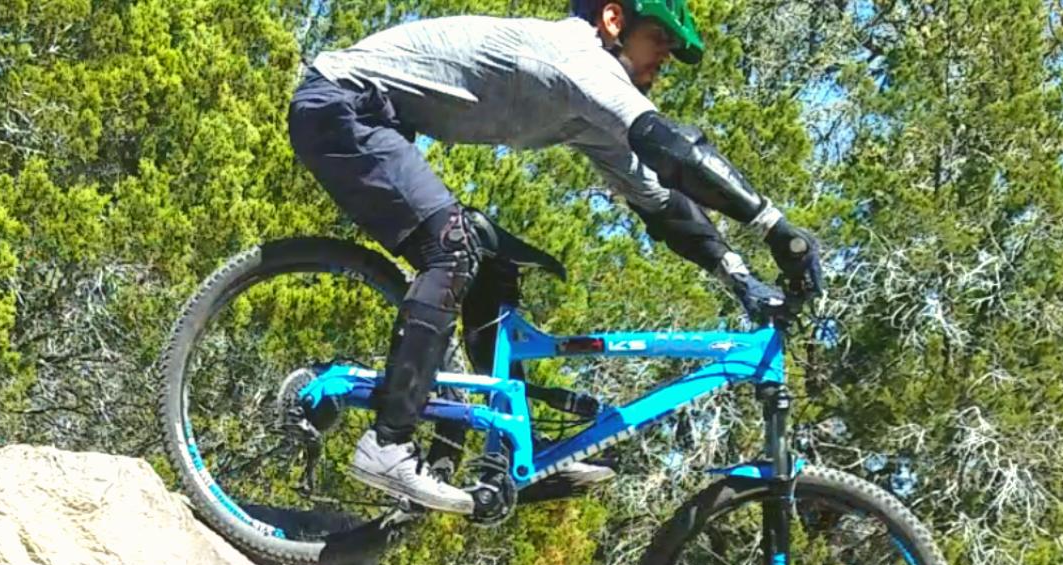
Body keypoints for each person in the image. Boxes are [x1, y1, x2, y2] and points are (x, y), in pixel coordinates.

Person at [290, 0, 824, 511]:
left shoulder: (588, 113)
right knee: (454, 246)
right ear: (613, 19)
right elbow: (673, 149)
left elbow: (663, 204)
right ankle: (389, 441)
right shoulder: (580, 58)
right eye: (659, 38)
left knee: (492, 269)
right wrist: (778, 229)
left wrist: (740, 277)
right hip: (342, 105)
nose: (665, 56)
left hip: (370, 120)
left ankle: (509, 453)